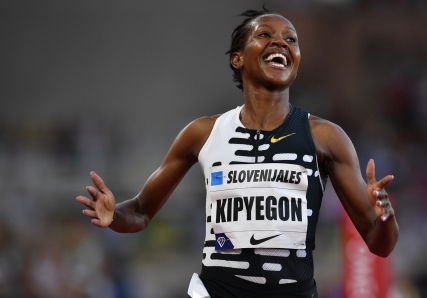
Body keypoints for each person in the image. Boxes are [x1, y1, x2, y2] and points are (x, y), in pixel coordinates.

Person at [76, 7, 399, 298]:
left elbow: (379, 243)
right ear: (238, 58)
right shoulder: (203, 133)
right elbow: (142, 211)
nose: (281, 42)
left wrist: (385, 217)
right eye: (265, 35)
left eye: (291, 39)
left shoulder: (325, 137)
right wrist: (114, 215)